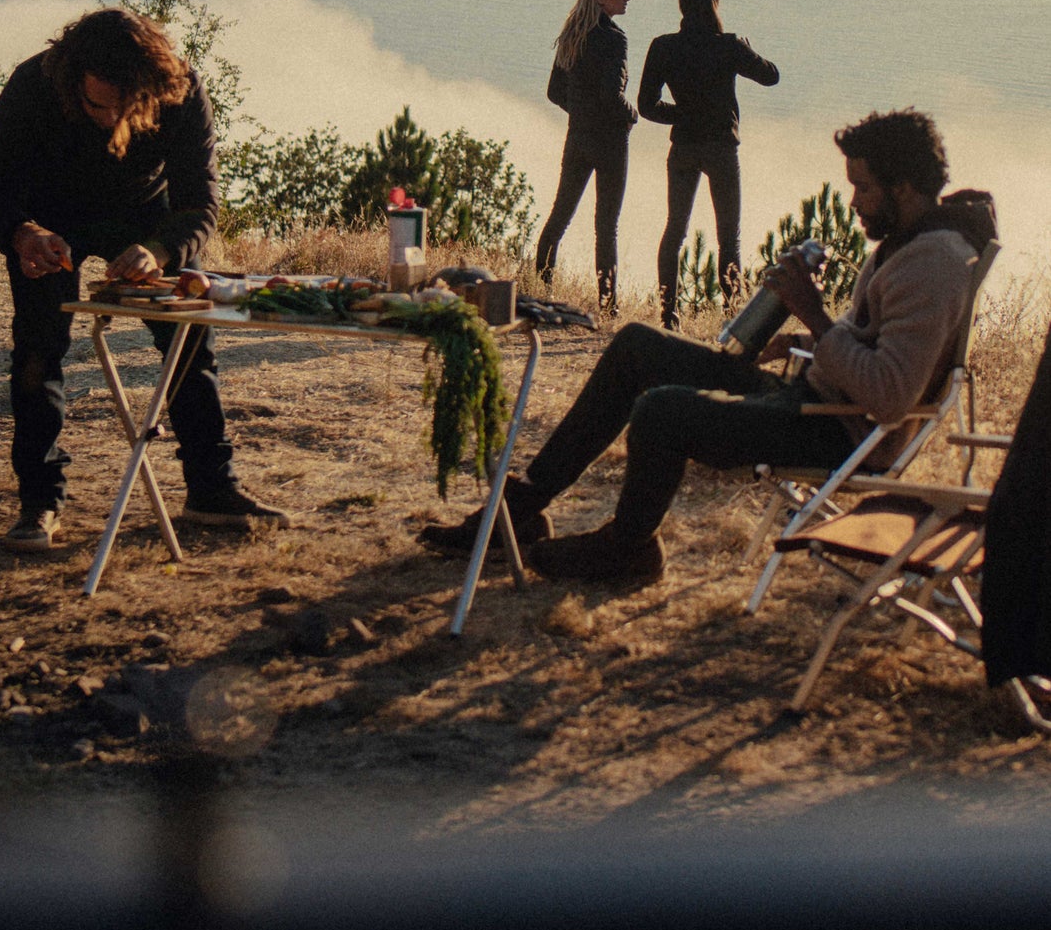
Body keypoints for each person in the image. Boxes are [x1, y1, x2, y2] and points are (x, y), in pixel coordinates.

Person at [423, 109, 994, 585]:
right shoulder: (911, 243)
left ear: (904, 188)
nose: (853, 202)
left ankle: (629, 549)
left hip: (834, 430)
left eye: (863, 188)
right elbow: (871, 346)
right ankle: (520, 510)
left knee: (663, 410)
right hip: (811, 398)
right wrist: (801, 338)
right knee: (638, 345)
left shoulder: (932, 264)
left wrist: (815, 315)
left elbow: (890, 396)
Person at [0, 6, 287, 549]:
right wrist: (25, 236)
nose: (112, 119)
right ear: (73, 81)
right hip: (50, 219)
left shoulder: (181, 89)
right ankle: (39, 501)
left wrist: (160, 251)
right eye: (99, 104)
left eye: (127, 106)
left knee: (190, 337)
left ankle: (211, 488)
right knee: (37, 351)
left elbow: (200, 204)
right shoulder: (33, 85)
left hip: (146, 217)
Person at [637, 0, 779, 328]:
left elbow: (646, 105)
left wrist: (682, 115)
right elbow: (771, 76)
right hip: (721, 148)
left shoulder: (663, 46)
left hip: (683, 146)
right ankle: (732, 315)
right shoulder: (729, 46)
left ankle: (668, 314)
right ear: (715, 4)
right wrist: (747, 49)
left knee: (674, 230)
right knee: (728, 237)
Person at [536, 0, 637, 312]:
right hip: (610, 141)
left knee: (559, 216)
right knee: (606, 227)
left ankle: (541, 287)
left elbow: (554, 91)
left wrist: (580, 111)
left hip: (578, 136)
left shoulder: (572, 34)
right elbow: (612, 94)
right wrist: (632, 115)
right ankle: (608, 305)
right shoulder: (615, 39)